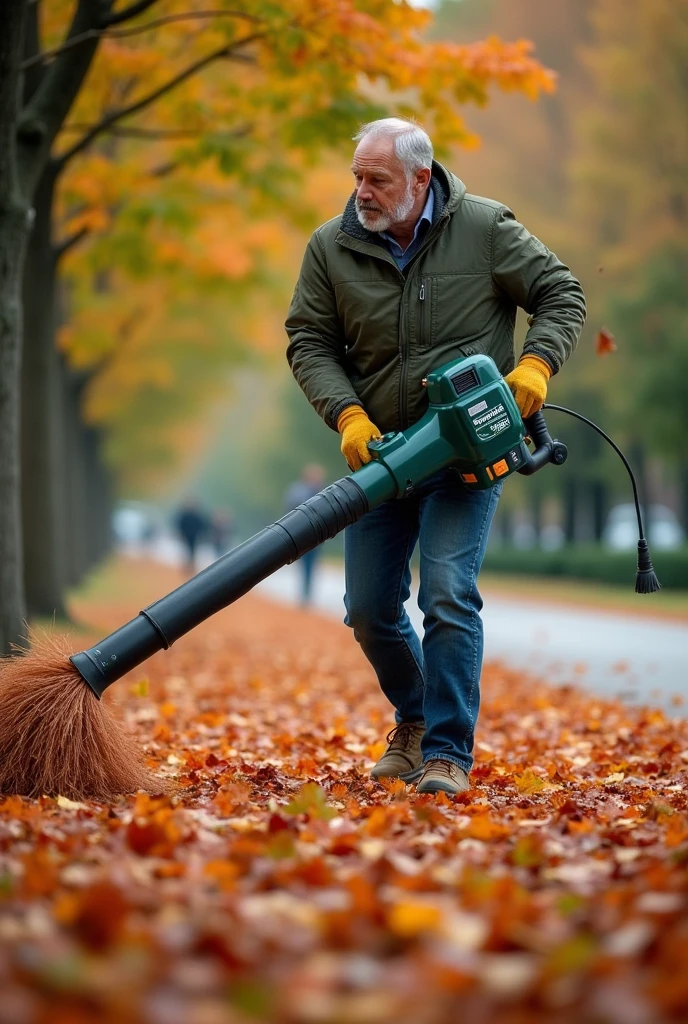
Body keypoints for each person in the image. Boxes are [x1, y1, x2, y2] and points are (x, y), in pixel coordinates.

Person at [285, 118, 586, 796]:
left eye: (377, 179)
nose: (361, 190)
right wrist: (349, 415)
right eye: (357, 176)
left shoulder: (483, 229)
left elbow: (560, 293)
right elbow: (309, 341)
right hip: (381, 456)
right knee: (368, 607)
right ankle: (415, 719)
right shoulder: (330, 248)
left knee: (448, 595)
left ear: (421, 180)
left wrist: (537, 366)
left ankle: (447, 752)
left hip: (466, 457)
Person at [284, 464, 326, 605]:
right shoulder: (298, 491)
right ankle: (304, 593)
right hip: (302, 534)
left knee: (311, 564)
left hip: (317, 536)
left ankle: (307, 594)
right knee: (304, 563)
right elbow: (291, 511)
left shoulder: (322, 491)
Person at [173, 498, 210, 576]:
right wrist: (180, 534)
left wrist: (202, 536)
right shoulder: (184, 515)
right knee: (185, 553)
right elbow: (179, 525)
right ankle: (185, 569)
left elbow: (202, 526)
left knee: (192, 553)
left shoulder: (197, 515)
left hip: (194, 538)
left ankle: (191, 569)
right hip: (185, 537)